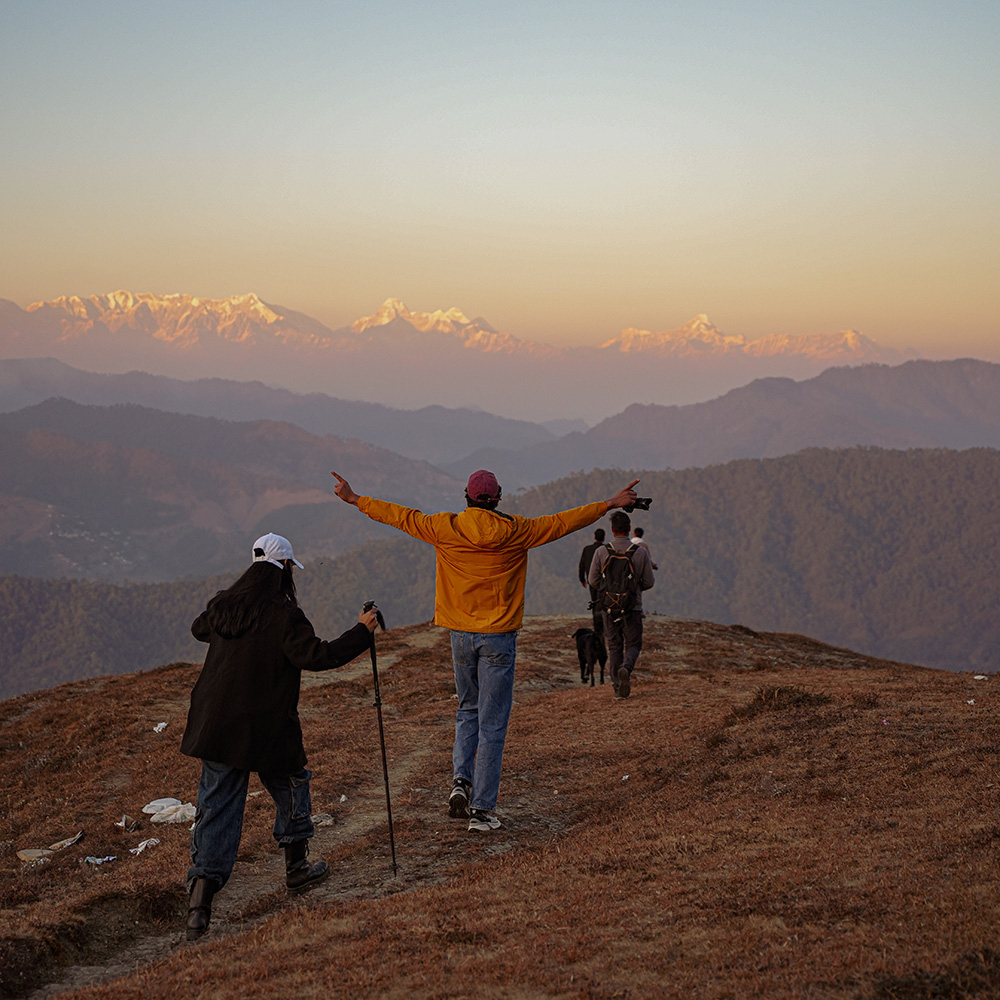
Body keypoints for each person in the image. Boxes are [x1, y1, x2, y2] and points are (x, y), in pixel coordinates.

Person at [331, 468, 640, 832]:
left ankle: (460, 782)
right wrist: (608, 504)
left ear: (466, 497)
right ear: (497, 499)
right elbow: (562, 523)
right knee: (493, 723)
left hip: (460, 635)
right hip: (498, 637)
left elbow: (400, 516)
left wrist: (356, 499)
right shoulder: (517, 531)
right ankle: (482, 809)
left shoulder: (444, 527)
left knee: (467, 710)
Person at [180, 532, 379, 941]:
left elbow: (201, 628)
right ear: (285, 568)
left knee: (216, 807)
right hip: (266, 728)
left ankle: (200, 905)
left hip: (216, 726)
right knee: (291, 785)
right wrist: (362, 631)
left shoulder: (223, 605)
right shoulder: (284, 614)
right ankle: (297, 868)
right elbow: (317, 656)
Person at [589, 511, 655, 700]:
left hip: (609, 607)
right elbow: (649, 582)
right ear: (628, 528)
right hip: (632, 606)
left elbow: (593, 580)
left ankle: (618, 689)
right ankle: (626, 668)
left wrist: (608, 589)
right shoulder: (640, 552)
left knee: (615, 646)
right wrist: (633, 589)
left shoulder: (602, 551)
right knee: (633, 644)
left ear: (612, 529)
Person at [578, 528, 608, 675]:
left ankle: (597, 625)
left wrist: (582, 578)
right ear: (603, 538)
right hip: (604, 582)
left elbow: (582, 564)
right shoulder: (606, 550)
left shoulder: (587, 549)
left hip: (591, 581)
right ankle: (603, 626)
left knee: (594, 602)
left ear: (594, 537)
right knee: (603, 603)